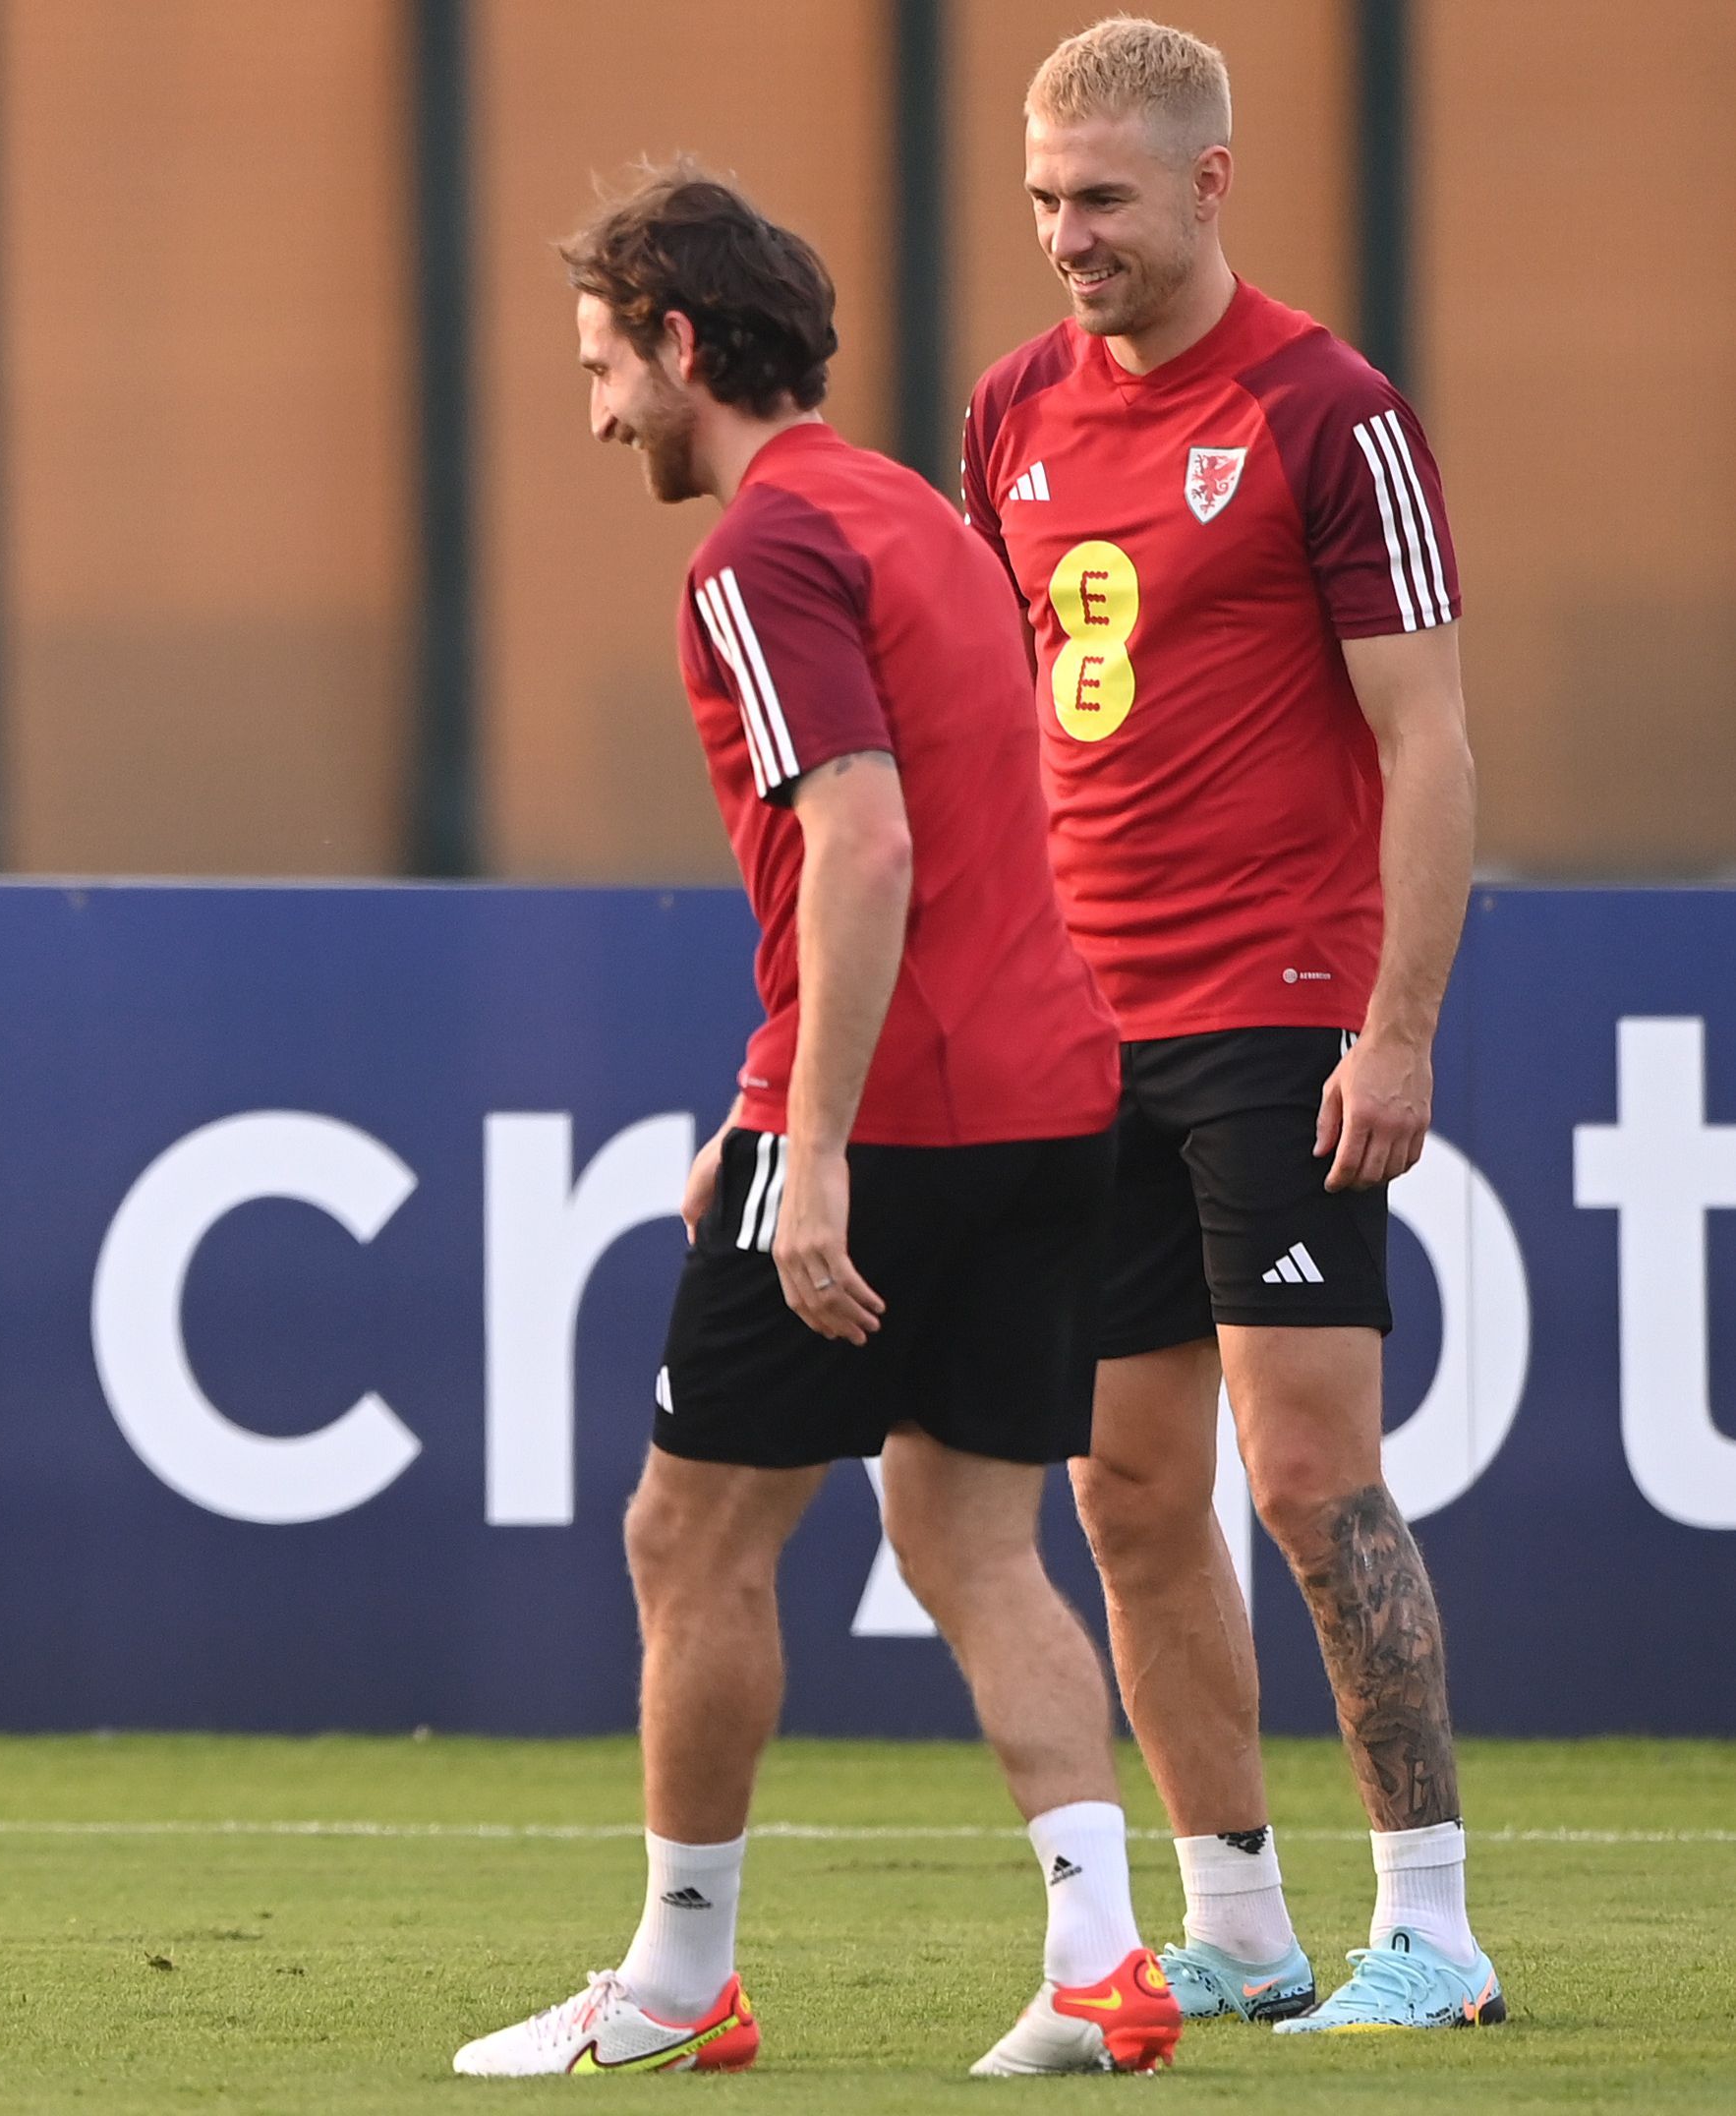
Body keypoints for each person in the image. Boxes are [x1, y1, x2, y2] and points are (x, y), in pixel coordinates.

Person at [451, 166, 1175, 2080]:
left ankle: (681, 1982)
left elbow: (860, 834)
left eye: (604, 366)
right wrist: (757, 1106)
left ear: (683, 346)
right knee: (970, 1538)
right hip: (1045, 1099)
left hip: (901, 1115)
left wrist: (815, 1140)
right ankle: (1101, 1959)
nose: (595, 413)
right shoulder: (921, 517)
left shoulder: (757, 552)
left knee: (684, 1540)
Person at [961, 18, 1496, 2033]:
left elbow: (1423, 734)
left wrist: (1398, 1021)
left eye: (1096, 198)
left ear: (1204, 182)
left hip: (1277, 1005)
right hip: (1081, 1025)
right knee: (1115, 1485)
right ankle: (1234, 1920)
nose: (1061, 235)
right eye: (1037, 197)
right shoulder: (1004, 410)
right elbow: (1017, 724)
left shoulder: (1322, 410)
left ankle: (1428, 1926)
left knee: (1301, 1471)